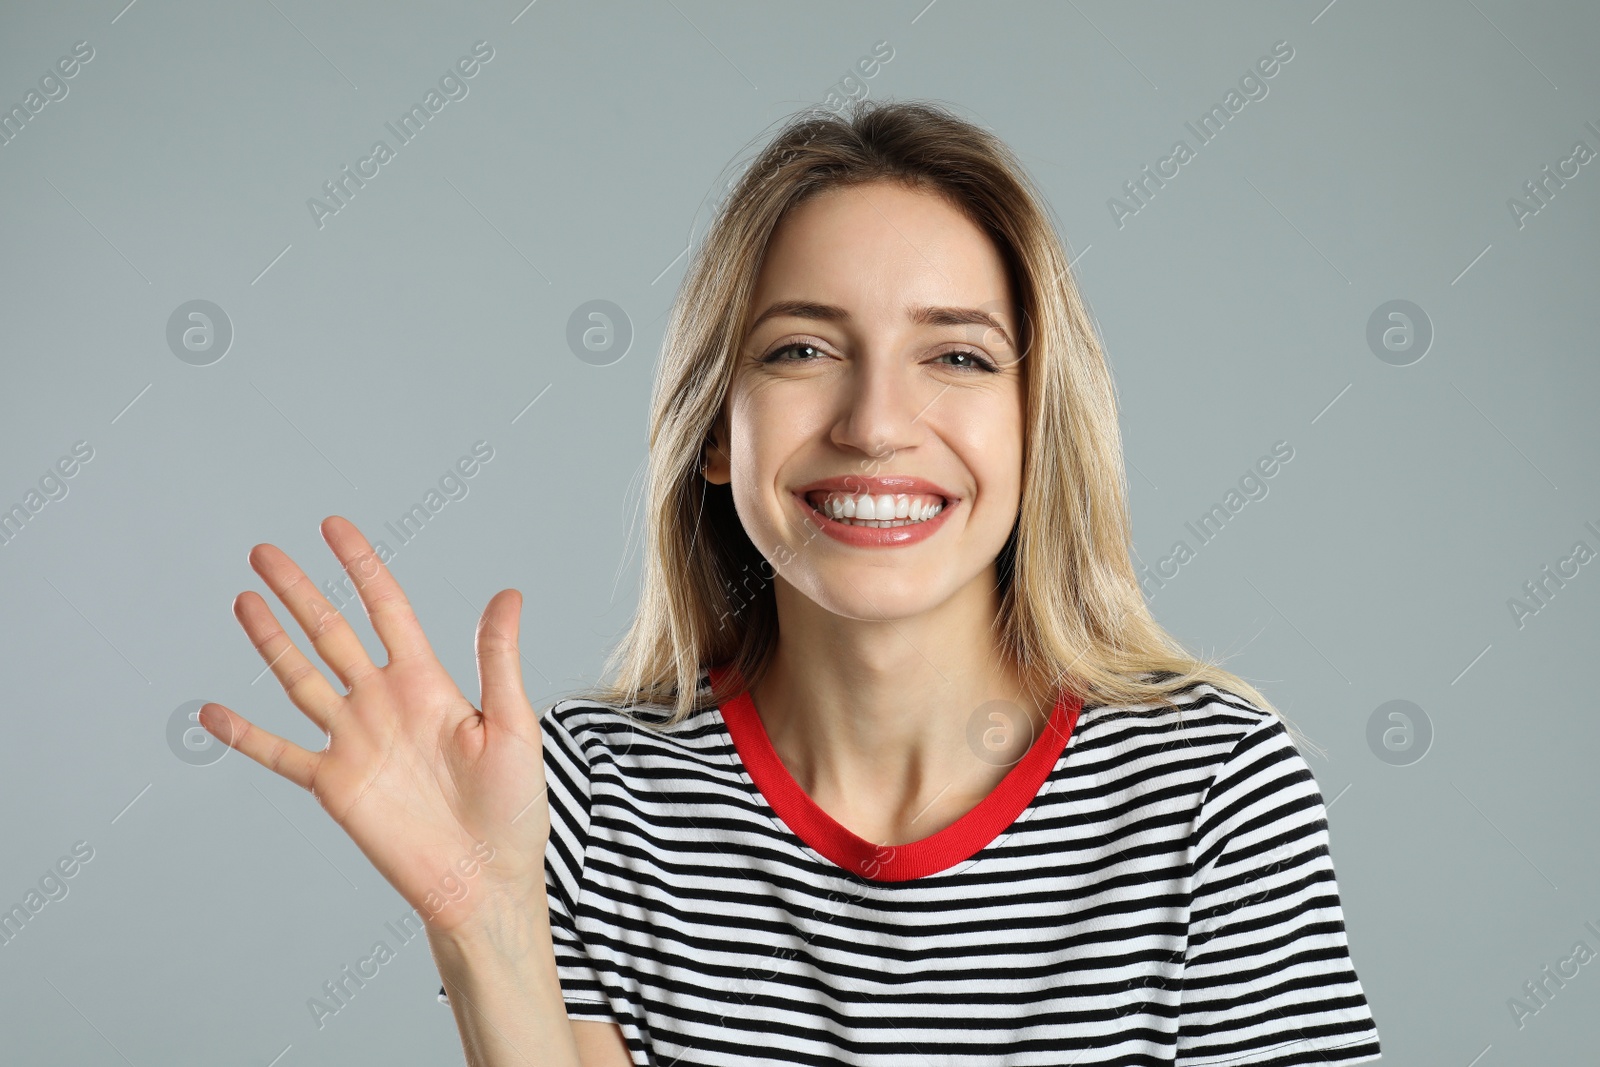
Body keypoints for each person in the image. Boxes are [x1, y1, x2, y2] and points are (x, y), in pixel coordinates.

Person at [198, 99, 1382, 1066]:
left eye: (958, 355)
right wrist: (482, 918)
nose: (874, 423)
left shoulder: (1211, 789)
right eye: (800, 350)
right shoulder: (584, 800)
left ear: (1039, 425)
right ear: (716, 430)